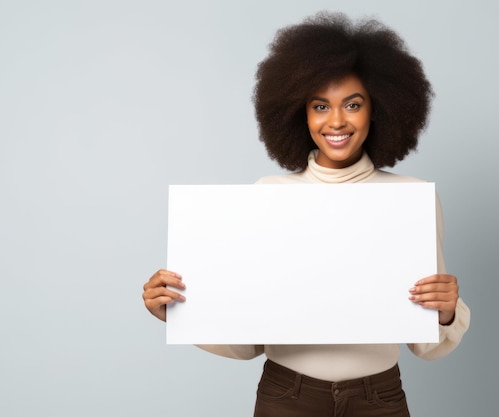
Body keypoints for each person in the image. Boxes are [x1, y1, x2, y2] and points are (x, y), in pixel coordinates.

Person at [142, 11, 470, 417]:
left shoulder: (412, 199)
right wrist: (179, 312)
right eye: (320, 106)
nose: (336, 121)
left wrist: (447, 312)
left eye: (353, 104)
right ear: (301, 113)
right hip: (287, 397)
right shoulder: (268, 197)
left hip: (379, 399)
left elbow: (427, 345)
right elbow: (248, 343)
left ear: (378, 110)